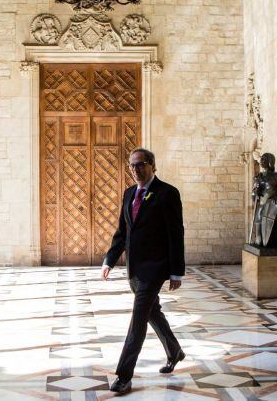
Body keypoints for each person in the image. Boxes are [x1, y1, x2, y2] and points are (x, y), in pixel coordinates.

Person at [101, 148, 186, 395]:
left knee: (138, 320)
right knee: (152, 312)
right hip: (134, 269)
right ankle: (174, 351)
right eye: (132, 166)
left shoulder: (168, 193)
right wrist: (109, 260)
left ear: (152, 165)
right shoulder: (129, 193)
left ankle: (124, 376)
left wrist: (176, 271)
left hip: (155, 268)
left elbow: (175, 233)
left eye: (141, 165)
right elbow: (122, 232)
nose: (136, 170)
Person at [249, 152, 277, 247]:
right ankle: (259, 239)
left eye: (263, 159)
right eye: (261, 159)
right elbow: (254, 198)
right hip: (262, 207)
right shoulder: (258, 177)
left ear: (270, 162)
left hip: (274, 207)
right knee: (259, 241)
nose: (261, 161)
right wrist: (256, 192)